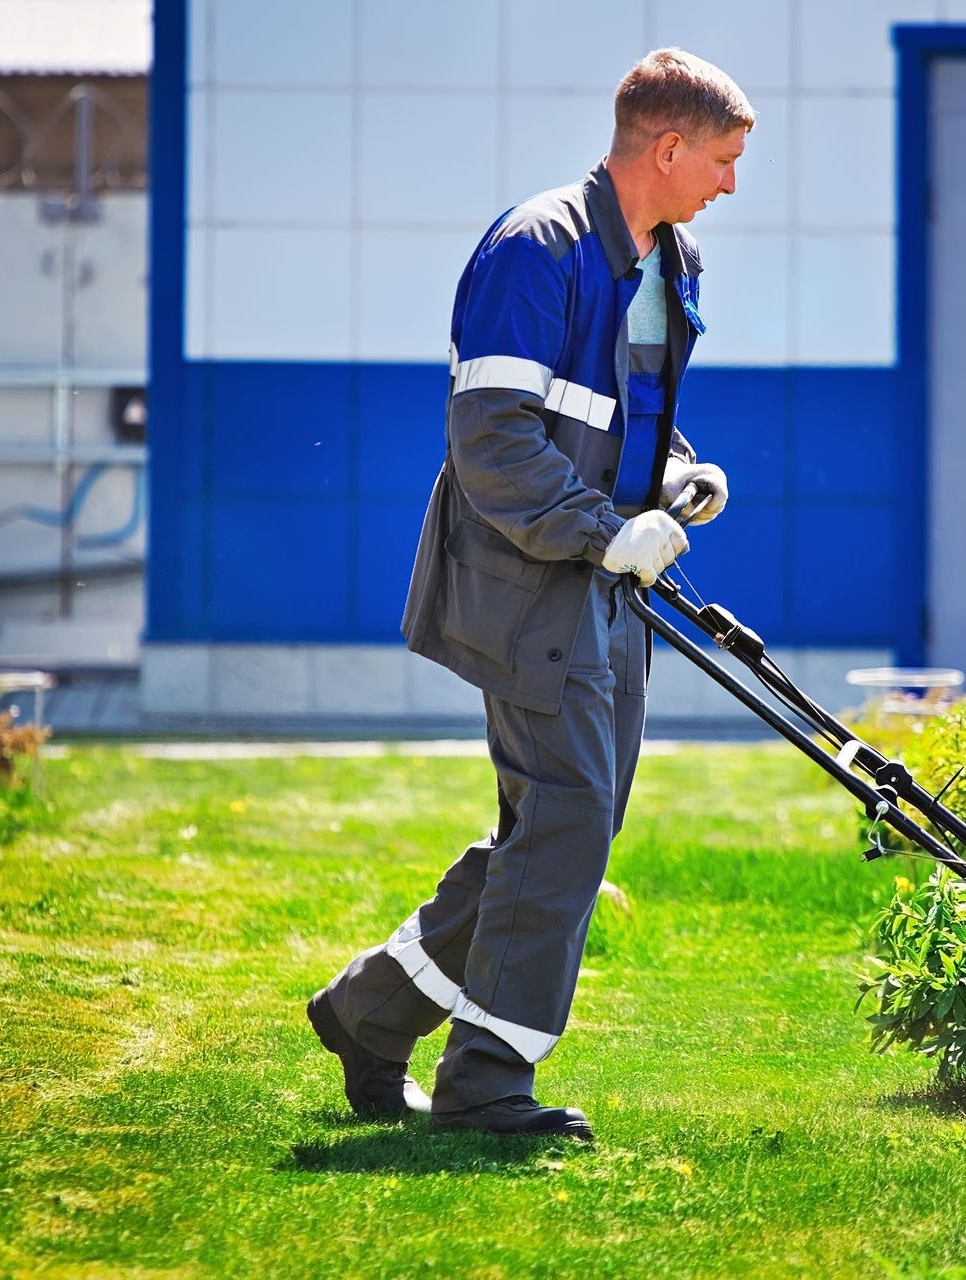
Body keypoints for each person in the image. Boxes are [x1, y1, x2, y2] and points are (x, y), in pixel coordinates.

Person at [305, 48, 752, 1139]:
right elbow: (493, 441)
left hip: (604, 584)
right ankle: (487, 1083)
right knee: (563, 821)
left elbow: (620, 412)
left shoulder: (668, 256)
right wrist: (608, 533)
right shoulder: (535, 247)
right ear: (668, 146)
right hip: (528, 582)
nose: (731, 185)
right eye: (726, 161)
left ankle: (370, 1008)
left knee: (565, 830)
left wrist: (677, 472)